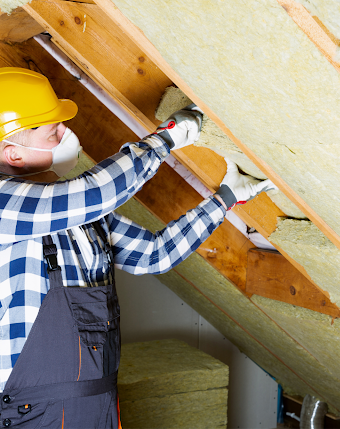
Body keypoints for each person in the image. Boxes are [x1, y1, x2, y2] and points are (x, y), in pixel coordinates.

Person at [0, 67, 274, 428]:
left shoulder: (77, 214)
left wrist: (223, 200)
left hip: (98, 403)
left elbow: (153, 255)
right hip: (35, 413)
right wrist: (165, 140)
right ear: (14, 155)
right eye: (54, 132)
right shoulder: (6, 204)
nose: (68, 134)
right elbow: (98, 192)